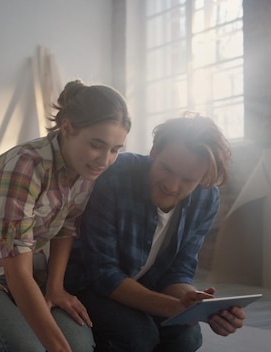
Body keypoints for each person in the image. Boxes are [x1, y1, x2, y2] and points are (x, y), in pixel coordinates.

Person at [0, 79, 131, 352]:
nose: (104, 160)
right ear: (67, 128)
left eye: (115, 150)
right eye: (97, 145)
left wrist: (55, 288)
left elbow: (66, 227)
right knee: (33, 349)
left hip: (30, 276)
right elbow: (17, 272)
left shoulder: (86, 168)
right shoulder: (26, 166)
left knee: (78, 347)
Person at [64, 114, 246, 352]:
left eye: (187, 180)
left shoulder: (206, 197)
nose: (171, 186)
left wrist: (195, 302)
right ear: (154, 150)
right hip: (86, 284)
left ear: (201, 179)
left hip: (146, 286)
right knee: (137, 335)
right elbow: (102, 273)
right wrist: (171, 307)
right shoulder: (115, 176)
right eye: (166, 169)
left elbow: (178, 270)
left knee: (187, 336)